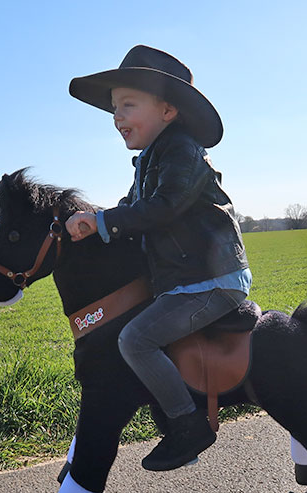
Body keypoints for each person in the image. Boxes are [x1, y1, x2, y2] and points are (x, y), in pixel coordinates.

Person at [65, 45, 251, 471]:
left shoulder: (182, 151)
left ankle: (186, 424)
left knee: (135, 339)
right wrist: (95, 221)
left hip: (209, 278)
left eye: (128, 105)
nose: (117, 116)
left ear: (168, 111)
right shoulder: (149, 159)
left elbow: (163, 207)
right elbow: (130, 207)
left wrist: (106, 222)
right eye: (114, 108)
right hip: (181, 280)